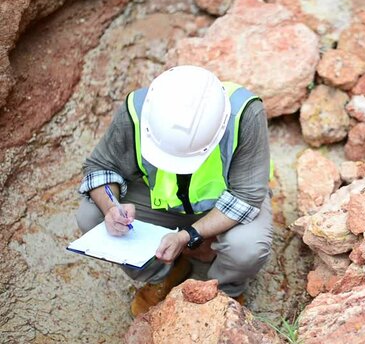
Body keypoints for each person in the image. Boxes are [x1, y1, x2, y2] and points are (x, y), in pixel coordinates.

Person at [75, 65, 273, 316]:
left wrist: (187, 236)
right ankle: (160, 276)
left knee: (247, 248)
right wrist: (112, 206)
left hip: (224, 204)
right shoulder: (139, 110)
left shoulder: (245, 115)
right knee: (91, 217)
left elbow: (246, 196)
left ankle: (223, 291)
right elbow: (101, 167)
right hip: (161, 201)